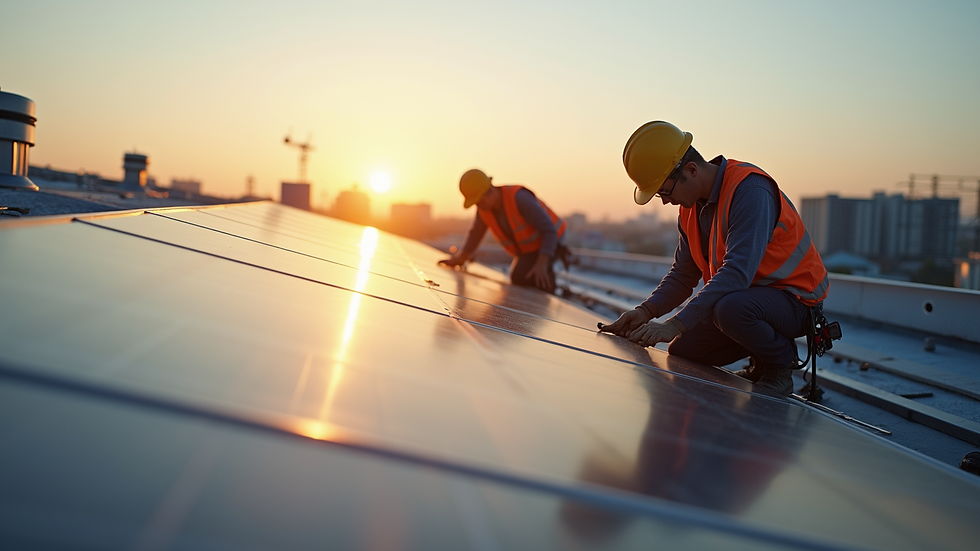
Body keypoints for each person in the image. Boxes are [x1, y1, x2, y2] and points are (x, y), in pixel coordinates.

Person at [598, 121, 829, 396]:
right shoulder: (690, 208)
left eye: (664, 191)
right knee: (685, 350)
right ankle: (759, 353)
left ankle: (780, 364)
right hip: (745, 299)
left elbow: (737, 273)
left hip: (794, 301)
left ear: (691, 170)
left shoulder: (751, 191)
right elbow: (683, 275)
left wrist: (675, 323)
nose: (663, 201)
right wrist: (645, 312)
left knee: (730, 310)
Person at [439, 169, 566, 293]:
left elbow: (549, 231)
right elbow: (476, 233)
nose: (479, 206)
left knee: (528, 275)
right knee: (519, 276)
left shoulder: (519, 198)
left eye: (480, 202)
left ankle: (548, 286)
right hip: (529, 249)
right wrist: (461, 258)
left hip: (551, 240)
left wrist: (542, 264)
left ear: (489, 191)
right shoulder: (484, 209)